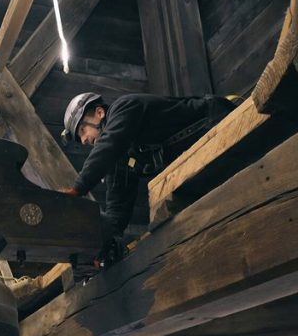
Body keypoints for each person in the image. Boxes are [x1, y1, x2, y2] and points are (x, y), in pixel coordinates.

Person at [60, 91, 236, 260]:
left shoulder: (125, 107)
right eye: (79, 137)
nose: (83, 140)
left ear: (100, 112)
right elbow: (117, 207)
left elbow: (108, 145)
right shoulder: (120, 158)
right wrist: (102, 244)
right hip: (202, 167)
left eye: (83, 130)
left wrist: (77, 189)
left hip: (221, 122)